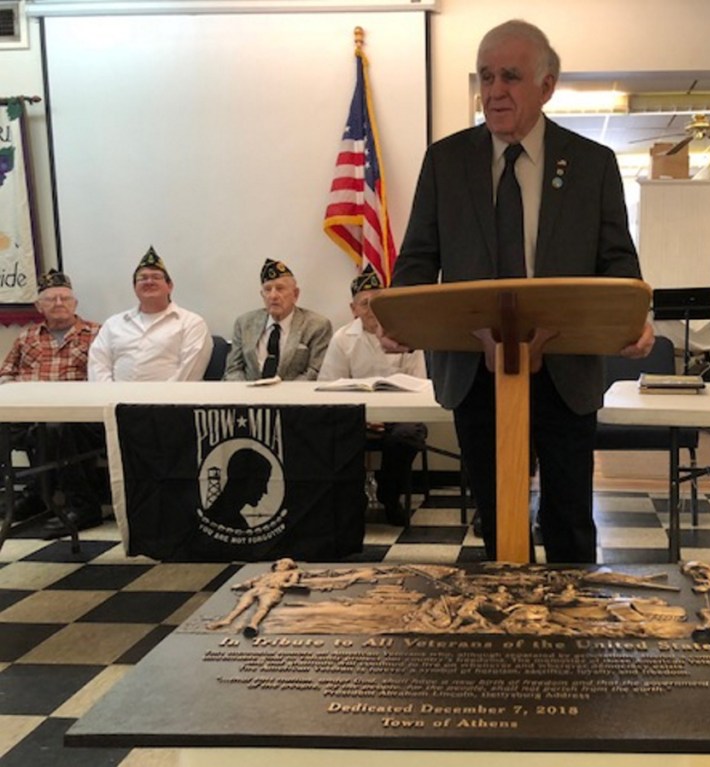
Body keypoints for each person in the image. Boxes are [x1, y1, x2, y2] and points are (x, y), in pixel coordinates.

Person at [385, 19, 653, 563]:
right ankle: (508, 633)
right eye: (485, 77)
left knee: (570, 521)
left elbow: (618, 263)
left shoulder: (592, 165)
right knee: (497, 519)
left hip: (565, 371)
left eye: (510, 76)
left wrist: (632, 319)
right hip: (474, 369)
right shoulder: (446, 161)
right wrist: (401, 318)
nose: (494, 90)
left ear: (547, 86)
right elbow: (417, 258)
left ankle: (572, 639)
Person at [0, 270, 107, 537]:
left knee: (54, 429)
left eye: (64, 298)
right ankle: (35, 494)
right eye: (51, 299)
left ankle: (80, 505)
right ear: (39, 306)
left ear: (75, 304)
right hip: (26, 411)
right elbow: (6, 374)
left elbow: (105, 376)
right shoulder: (27, 337)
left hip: (76, 414)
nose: (59, 304)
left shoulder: (98, 333)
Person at [319, 267, 428, 525]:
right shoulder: (342, 339)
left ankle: (389, 495)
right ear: (353, 309)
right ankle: (353, 499)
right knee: (337, 433)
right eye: (365, 304)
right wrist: (363, 418)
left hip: (401, 416)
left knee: (409, 434)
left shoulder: (405, 334)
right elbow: (328, 386)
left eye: (377, 302)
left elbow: (419, 384)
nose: (371, 310)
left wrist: (390, 415)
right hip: (356, 415)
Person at [88, 247, 213, 382]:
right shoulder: (113, 324)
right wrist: (109, 397)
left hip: (171, 400)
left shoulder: (191, 323)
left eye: (156, 277)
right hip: (114, 400)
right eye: (142, 278)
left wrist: (159, 400)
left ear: (169, 286)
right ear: (135, 287)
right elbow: (98, 364)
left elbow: (189, 373)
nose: (149, 282)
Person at [223, 259, 332, 381]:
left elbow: (315, 372)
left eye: (280, 288)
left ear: (295, 294)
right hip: (249, 395)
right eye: (268, 289)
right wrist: (246, 395)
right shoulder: (244, 323)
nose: (273, 296)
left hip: (295, 396)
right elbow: (233, 369)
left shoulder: (317, 326)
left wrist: (282, 395)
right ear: (262, 294)